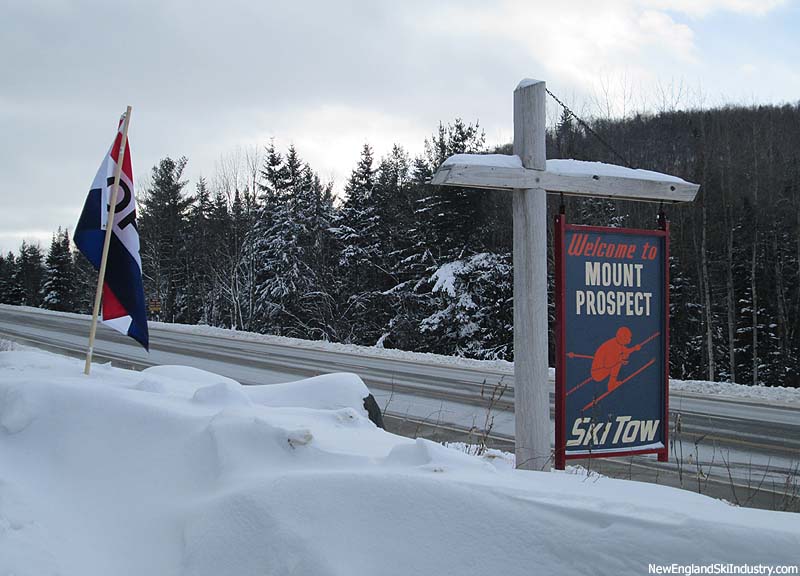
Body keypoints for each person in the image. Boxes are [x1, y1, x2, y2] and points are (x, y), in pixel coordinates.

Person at [590, 327, 641, 392]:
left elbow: (625, 351)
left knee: (619, 359)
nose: (629, 340)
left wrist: (634, 348)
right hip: (597, 373)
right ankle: (611, 385)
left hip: (601, 370)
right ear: (621, 338)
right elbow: (607, 365)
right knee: (618, 363)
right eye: (628, 338)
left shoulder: (617, 343)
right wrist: (620, 360)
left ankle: (612, 383)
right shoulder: (611, 346)